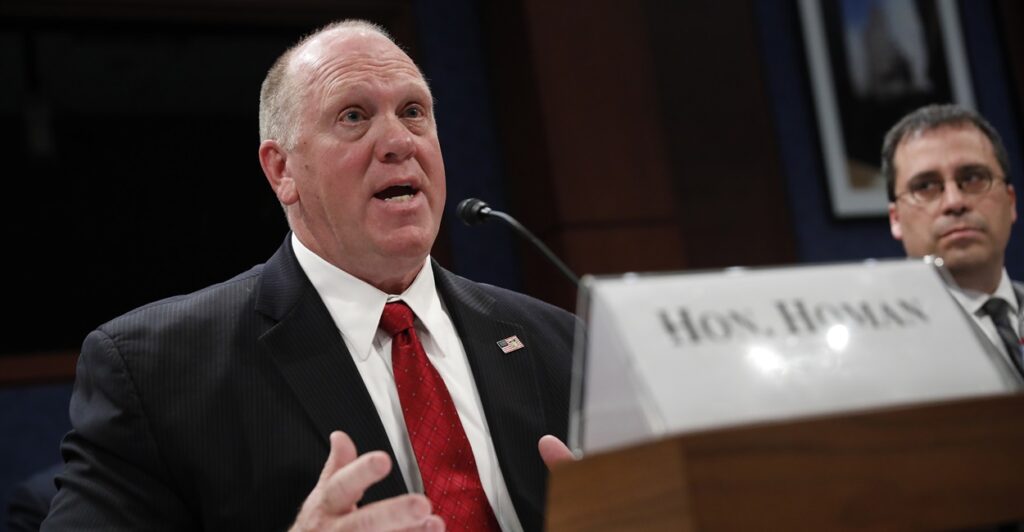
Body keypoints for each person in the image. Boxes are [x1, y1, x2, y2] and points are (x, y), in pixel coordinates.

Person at [43, 20, 575, 531]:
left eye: (413, 111)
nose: (398, 142)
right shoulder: (157, 370)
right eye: (353, 117)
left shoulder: (560, 343)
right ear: (282, 171)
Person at [884, 103, 1023, 377]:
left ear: (1010, 202)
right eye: (925, 186)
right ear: (896, 218)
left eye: (972, 178)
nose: (955, 202)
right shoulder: (882, 343)